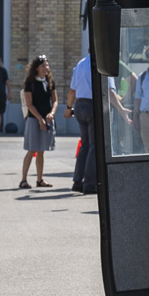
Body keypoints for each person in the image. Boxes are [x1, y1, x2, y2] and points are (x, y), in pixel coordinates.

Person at [19, 55, 58, 189]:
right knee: (31, 150)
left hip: (46, 119)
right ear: (36, 68)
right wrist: (40, 119)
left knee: (41, 151)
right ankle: (23, 180)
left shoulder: (49, 81)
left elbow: (55, 101)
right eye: (43, 66)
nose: (46, 68)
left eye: (47, 65)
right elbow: (29, 104)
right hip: (33, 119)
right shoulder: (30, 83)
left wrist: (52, 113)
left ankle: (39, 180)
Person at [68, 49, 97, 194]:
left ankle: (77, 181)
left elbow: (72, 90)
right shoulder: (99, 64)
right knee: (94, 146)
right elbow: (109, 90)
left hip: (79, 104)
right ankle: (90, 184)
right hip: (93, 104)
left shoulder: (80, 64)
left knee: (84, 145)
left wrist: (69, 107)